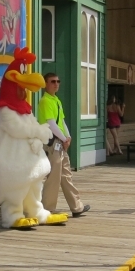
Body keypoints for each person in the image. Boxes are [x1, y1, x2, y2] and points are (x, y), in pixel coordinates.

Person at [38, 73, 89, 217]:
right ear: (45, 84)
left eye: (58, 81)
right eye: (53, 81)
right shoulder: (45, 101)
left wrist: (68, 136)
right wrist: (64, 139)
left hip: (60, 142)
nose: (56, 84)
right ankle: (48, 209)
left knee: (66, 175)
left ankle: (76, 206)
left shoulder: (56, 100)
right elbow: (51, 124)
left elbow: (62, 122)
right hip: (52, 143)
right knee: (53, 177)